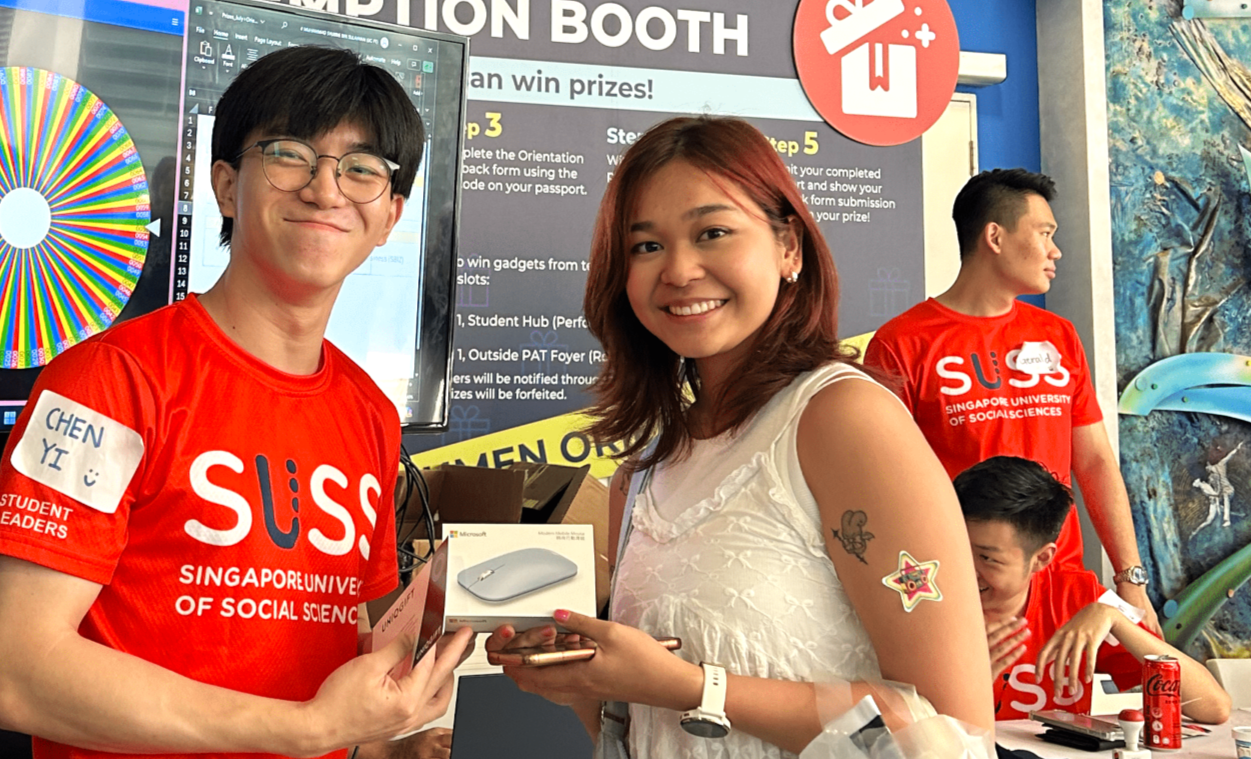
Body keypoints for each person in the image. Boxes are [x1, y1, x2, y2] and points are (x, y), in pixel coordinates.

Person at [0, 46, 473, 759]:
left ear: (390, 215)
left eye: (361, 169)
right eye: (291, 154)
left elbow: (348, 643)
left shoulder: (369, 412)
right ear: (226, 184)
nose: (326, 189)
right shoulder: (105, 384)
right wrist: (306, 730)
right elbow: (16, 674)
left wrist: (396, 730)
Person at [487, 116, 994, 757]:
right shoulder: (642, 472)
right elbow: (651, 734)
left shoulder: (841, 420)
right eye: (645, 246)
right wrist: (585, 683)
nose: (678, 269)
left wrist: (701, 690)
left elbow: (952, 734)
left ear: (789, 248)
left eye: (713, 233)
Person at [863, 168, 1161, 634]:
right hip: (961, 590)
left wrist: (1130, 579)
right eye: (1044, 233)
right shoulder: (902, 343)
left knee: (1060, 708)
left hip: (1058, 590)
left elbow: (1096, 462)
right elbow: (883, 486)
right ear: (995, 237)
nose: (1054, 250)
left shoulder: (1058, 336)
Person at [955, 456, 1229, 723]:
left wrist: (1115, 619)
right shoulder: (925, 597)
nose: (965, 569)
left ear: (1041, 559)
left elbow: (1214, 707)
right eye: (955, 547)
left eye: (987, 558)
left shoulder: (1077, 597)